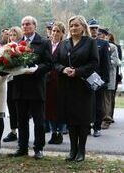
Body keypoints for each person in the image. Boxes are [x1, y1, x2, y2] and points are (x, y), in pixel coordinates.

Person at [55, 15, 99, 162]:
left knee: (83, 120)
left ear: (83, 27)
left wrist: (78, 71)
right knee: (71, 120)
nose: (74, 28)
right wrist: (63, 69)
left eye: (77, 25)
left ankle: (81, 151)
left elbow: (94, 63)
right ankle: (72, 150)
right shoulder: (64, 43)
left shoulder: (90, 42)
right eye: (71, 25)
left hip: (83, 87)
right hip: (67, 87)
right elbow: (55, 63)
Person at [9, 16, 52, 159]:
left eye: (28, 24)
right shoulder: (16, 44)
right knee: (21, 121)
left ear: (34, 25)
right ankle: (22, 147)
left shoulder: (44, 42)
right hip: (19, 88)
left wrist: (35, 69)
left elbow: (48, 64)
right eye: (23, 24)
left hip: (36, 87)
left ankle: (38, 148)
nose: (25, 26)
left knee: (39, 121)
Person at [88, 19, 110, 137]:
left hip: (98, 78)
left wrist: (105, 80)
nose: (94, 30)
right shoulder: (84, 42)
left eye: (96, 28)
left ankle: (97, 127)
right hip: (85, 78)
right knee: (86, 104)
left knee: (97, 105)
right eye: (92, 28)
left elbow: (106, 63)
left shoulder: (103, 44)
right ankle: (86, 127)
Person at [45, 21, 66, 145]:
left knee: (60, 107)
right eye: (53, 30)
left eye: (58, 31)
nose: (55, 33)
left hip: (60, 80)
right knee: (50, 107)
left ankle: (60, 131)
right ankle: (53, 132)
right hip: (47, 81)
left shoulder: (65, 45)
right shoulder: (47, 44)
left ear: (63, 33)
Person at [98, 28, 121, 130]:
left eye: (101, 34)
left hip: (109, 76)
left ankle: (106, 119)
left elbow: (116, 61)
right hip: (98, 76)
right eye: (99, 34)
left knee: (107, 99)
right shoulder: (95, 45)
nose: (99, 36)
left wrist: (105, 60)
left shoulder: (112, 47)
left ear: (106, 35)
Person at [3, 26, 23, 143]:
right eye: (10, 35)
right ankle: (13, 131)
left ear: (19, 35)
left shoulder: (22, 47)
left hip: (19, 81)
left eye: (14, 35)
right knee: (11, 106)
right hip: (9, 81)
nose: (12, 37)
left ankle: (21, 131)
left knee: (18, 107)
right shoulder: (6, 47)